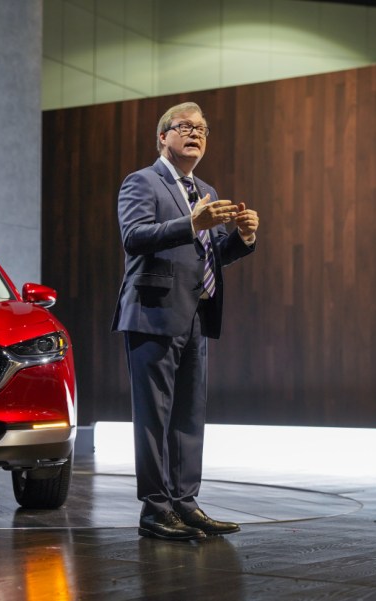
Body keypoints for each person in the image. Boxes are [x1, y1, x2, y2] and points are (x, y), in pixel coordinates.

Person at [112, 101, 259, 541]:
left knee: (189, 416)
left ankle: (185, 502)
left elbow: (211, 255)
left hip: (197, 313)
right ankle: (155, 509)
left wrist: (243, 239)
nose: (195, 134)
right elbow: (134, 237)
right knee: (154, 417)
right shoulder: (142, 181)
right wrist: (189, 222)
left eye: (202, 129)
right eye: (185, 127)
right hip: (153, 312)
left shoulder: (206, 191)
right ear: (163, 137)